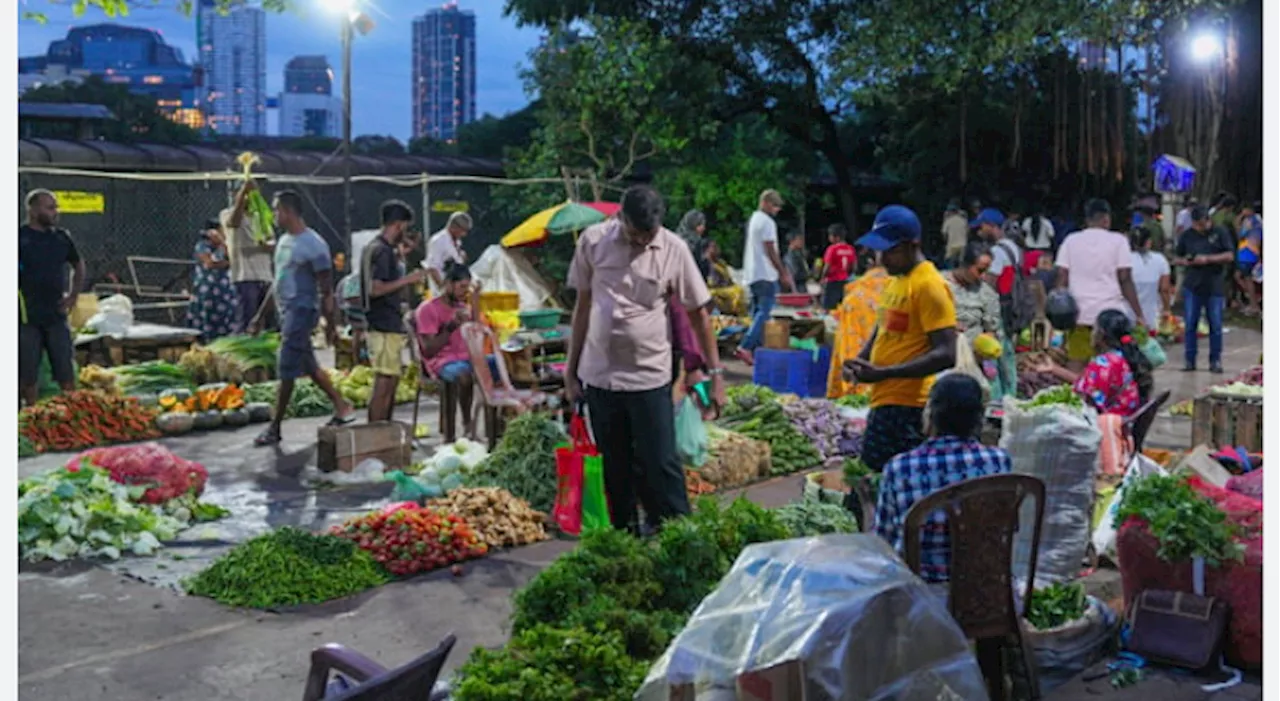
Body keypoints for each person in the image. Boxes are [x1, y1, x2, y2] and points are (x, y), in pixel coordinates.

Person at [565, 185, 726, 535]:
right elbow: (583, 307)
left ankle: (681, 540)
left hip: (650, 377)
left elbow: (699, 315)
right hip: (601, 377)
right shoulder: (593, 242)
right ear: (620, 219)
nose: (641, 243)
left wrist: (715, 375)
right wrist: (571, 371)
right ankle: (626, 543)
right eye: (636, 235)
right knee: (616, 467)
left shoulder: (674, 249)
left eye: (648, 236)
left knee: (661, 463)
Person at [842, 205, 958, 472]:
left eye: (889, 251)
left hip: (909, 408)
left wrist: (885, 372)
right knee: (870, 482)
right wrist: (861, 359)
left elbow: (946, 353)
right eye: (879, 250)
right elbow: (883, 326)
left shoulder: (929, 285)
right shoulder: (897, 280)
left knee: (882, 484)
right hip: (885, 400)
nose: (881, 258)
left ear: (911, 245)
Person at [874, 373, 1012, 583]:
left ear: (930, 414)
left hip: (922, 600)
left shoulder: (900, 468)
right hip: (985, 594)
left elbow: (884, 543)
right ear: (979, 418)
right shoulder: (998, 461)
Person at [254, 190, 355, 446]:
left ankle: (275, 427)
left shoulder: (314, 245)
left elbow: (327, 290)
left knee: (286, 367)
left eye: (276, 210)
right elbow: (277, 282)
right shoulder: (283, 242)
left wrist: (331, 325)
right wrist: (259, 315)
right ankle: (342, 407)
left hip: (302, 312)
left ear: (288, 211)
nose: (274, 215)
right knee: (309, 365)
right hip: (286, 311)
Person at [1055, 199, 1145, 367]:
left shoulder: (1070, 241)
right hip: (1110, 319)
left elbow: (1062, 278)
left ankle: (1079, 393)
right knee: (1111, 368)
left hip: (1079, 316)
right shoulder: (1118, 241)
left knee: (1077, 366)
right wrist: (1138, 313)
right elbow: (1125, 278)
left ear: (1087, 220)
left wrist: (1060, 313)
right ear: (1106, 219)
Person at [362, 200, 427, 423]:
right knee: (384, 382)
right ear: (398, 225)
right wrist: (408, 279)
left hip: (385, 323)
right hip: (382, 324)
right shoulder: (381, 251)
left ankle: (385, 430)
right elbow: (375, 288)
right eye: (405, 228)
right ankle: (375, 433)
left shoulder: (379, 248)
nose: (406, 233)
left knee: (391, 380)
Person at [19, 190, 85, 407]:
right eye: (50, 207)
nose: (56, 212)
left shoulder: (61, 237)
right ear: (33, 209)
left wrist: (73, 294)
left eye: (56, 207)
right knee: (27, 373)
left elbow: (78, 264)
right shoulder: (19, 237)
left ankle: (71, 414)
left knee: (65, 371)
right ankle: (30, 415)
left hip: (56, 315)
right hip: (26, 318)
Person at [414, 261, 492, 437]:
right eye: (462, 287)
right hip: (441, 362)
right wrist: (450, 327)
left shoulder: (462, 307)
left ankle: (495, 428)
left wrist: (476, 300)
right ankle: (466, 422)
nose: (465, 292)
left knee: (501, 367)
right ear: (448, 284)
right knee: (464, 376)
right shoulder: (427, 309)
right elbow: (428, 350)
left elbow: (477, 332)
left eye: (468, 287)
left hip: (466, 358)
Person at [1033, 309, 1153, 418]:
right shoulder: (1122, 357)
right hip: (1125, 417)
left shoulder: (1103, 364)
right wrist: (1053, 369)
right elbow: (1087, 383)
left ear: (1101, 335)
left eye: (1093, 329)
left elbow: (1086, 400)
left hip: (1108, 422)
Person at [944, 242, 1010, 400]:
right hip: (940, 361)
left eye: (987, 271)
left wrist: (987, 344)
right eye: (979, 270)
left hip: (972, 365)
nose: (983, 276)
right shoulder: (938, 285)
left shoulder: (986, 294)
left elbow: (993, 330)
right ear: (964, 264)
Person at [1174, 207, 1234, 373]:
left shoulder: (1219, 232)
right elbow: (1176, 257)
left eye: (1204, 223)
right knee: (1190, 324)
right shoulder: (1187, 236)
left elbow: (1229, 255)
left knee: (1215, 324)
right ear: (1193, 223)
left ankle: (1215, 360)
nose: (1202, 227)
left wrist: (1208, 259)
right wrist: (1186, 261)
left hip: (1214, 285)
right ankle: (1189, 360)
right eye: (1198, 225)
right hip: (1193, 285)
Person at [736, 189, 792, 365]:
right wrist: (783, 272)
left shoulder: (754, 219)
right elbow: (770, 249)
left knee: (756, 313)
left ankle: (755, 351)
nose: (776, 210)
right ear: (766, 203)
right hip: (765, 274)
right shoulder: (767, 222)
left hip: (753, 273)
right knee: (764, 312)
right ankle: (745, 346)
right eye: (775, 206)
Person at [827, 254, 891, 399]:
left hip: (860, 368)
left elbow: (848, 343)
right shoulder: (900, 291)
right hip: (894, 380)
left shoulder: (854, 298)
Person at [222, 179, 275, 334]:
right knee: (247, 319)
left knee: (267, 321)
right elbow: (234, 222)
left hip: (265, 275)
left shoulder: (261, 217)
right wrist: (243, 193)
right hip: (245, 276)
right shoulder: (227, 214)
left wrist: (265, 246)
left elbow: (273, 243)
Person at [185, 219, 238, 343]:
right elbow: (210, 263)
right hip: (207, 288)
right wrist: (227, 263)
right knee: (207, 315)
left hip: (223, 289)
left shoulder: (223, 246)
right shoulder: (202, 245)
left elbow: (231, 258)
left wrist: (222, 243)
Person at [1129, 226, 1173, 331]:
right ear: (1149, 241)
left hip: (1127, 313)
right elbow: (1164, 289)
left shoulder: (1123, 259)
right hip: (1151, 314)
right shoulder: (1160, 260)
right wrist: (1166, 309)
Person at [424, 211, 472, 297]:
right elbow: (432, 268)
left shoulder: (457, 242)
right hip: (442, 294)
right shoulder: (438, 241)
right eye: (462, 231)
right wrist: (443, 290)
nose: (464, 234)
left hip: (456, 293)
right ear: (454, 226)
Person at [818, 224, 857, 310]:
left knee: (828, 308)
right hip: (845, 281)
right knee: (842, 307)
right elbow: (854, 267)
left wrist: (822, 278)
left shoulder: (832, 249)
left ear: (836, 237)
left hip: (832, 281)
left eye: (830, 235)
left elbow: (827, 266)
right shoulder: (850, 249)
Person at [677, 209, 711, 280]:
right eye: (701, 224)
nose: (703, 228)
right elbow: (698, 270)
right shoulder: (695, 243)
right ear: (693, 225)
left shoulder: (676, 240)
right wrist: (707, 259)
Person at [941, 200, 968, 267]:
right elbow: (967, 232)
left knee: (950, 265)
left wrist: (946, 242)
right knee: (961, 265)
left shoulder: (948, 220)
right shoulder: (963, 220)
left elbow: (944, 234)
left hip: (952, 246)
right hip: (963, 245)